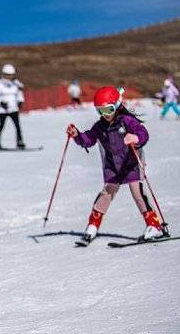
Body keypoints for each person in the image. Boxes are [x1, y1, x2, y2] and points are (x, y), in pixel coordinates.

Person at [66, 86, 164, 243]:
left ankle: (154, 225)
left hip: (131, 162)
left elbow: (143, 133)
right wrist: (77, 135)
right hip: (112, 165)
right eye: (100, 111)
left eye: (108, 110)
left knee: (137, 191)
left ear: (117, 105)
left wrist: (135, 138)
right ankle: (93, 225)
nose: (105, 115)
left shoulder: (127, 121)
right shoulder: (100, 127)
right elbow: (88, 140)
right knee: (107, 193)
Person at [0, 64, 25, 149]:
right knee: (1, 126)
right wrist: (0, 103)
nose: (9, 77)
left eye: (11, 75)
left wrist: (20, 101)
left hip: (14, 109)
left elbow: (19, 94)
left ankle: (20, 141)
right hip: (3, 110)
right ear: (3, 75)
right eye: (7, 75)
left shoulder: (15, 85)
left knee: (17, 126)